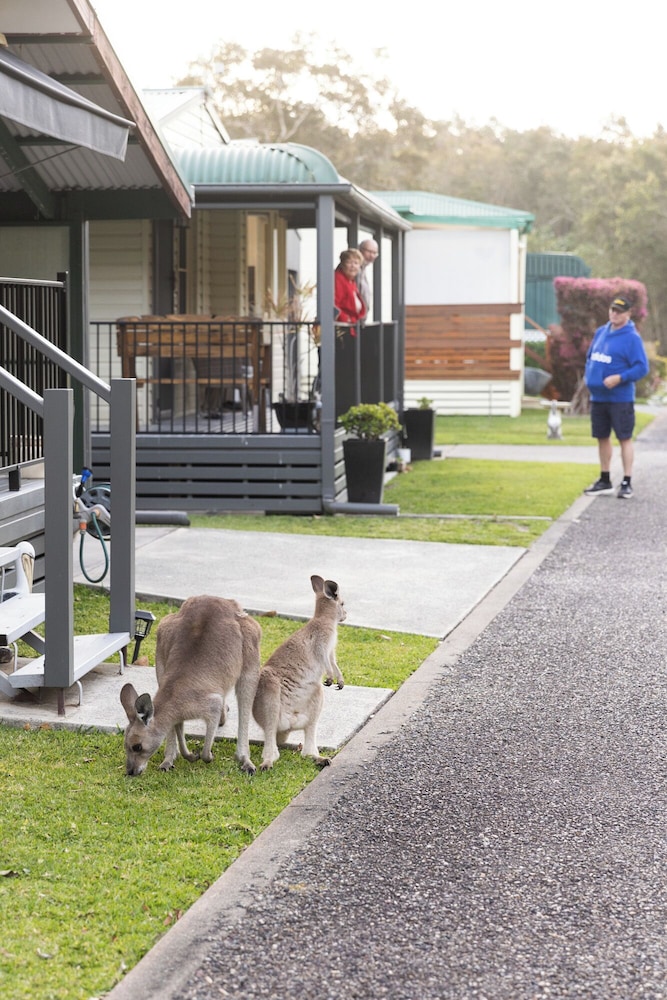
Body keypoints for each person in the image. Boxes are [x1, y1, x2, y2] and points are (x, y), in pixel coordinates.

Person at [583, 293, 649, 499]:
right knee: (602, 438)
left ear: (628, 314)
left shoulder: (632, 338)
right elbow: (590, 357)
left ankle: (627, 481)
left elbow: (641, 367)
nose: (614, 314)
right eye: (612, 310)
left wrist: (620, 377)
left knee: (624, 438)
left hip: (620, 398)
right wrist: (590, 377)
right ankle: (604, 480)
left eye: (619, 311)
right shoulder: (601, 332)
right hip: (598, 398)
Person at [334, 248, 366, 326]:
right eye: (349, 262)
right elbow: (334, 304)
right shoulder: (337, 279)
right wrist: (346, 319)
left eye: (356, 263)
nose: (353, 266)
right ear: (342, 264)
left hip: (351, 325)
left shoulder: (351, 281)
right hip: (341, 326)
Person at [356, 238, 379, 319]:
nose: (372, 256)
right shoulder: (354, 270)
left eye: (375, 253)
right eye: (369, 251)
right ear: (360, 250)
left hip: (361, 320)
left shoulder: (363, 270)